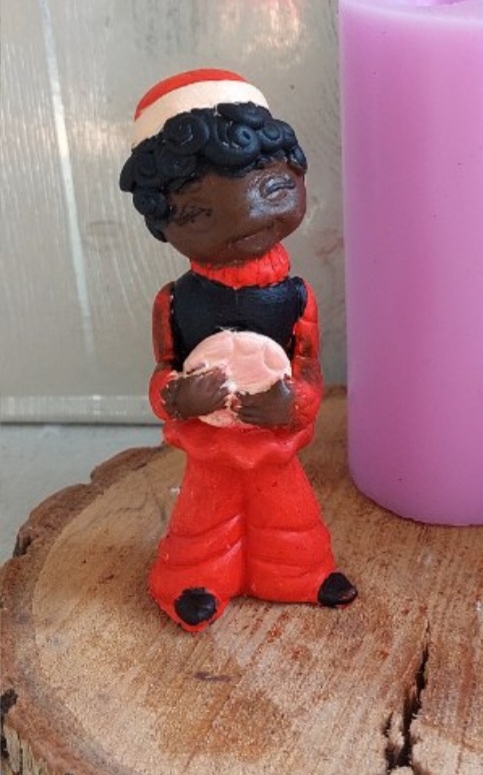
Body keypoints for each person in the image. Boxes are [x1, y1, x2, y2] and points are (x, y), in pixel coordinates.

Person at [120, 68, 356, 632]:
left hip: (271, 437)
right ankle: (196, 581)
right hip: (212, 443)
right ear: (164, 223)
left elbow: (308, 367)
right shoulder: (176, 302)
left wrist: (291, 403)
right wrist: (180, 397)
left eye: (271, 190)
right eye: (199, 213)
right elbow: (162, 371)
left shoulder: (295, 297)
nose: (247, 216)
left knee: (286, 505)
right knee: (205, 511)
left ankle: (298, 573)